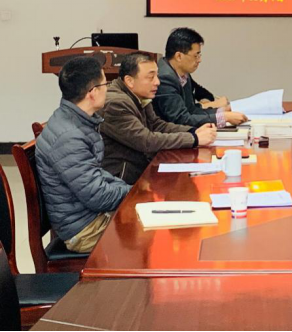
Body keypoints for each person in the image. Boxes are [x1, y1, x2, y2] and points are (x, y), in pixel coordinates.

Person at [35, 57, 130, 253]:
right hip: (85, 230)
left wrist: (131, 190)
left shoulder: (75, 120)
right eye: (105, 84)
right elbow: (97, 196)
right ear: (92, 93)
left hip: (89, 216)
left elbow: (95, 176)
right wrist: (135, 193)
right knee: (151, 235)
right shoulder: (70, 137)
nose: (108, 89)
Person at [100, 52, 217, 185]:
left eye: (157, 76)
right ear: (129, 81)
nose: (157, 82)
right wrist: (194, 139)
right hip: (123, 180)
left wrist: (193, 131)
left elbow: (157, 125)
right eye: (151, 77)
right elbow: (146, 141)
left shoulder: (139, 95)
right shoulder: (115, 103)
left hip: (141, 169)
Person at [153, 28, 248, 128]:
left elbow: (191, 110)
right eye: (196, 56)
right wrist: (223, 117)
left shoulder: (182, 74)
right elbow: (181, 119)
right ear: (179, 56)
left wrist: (220, 111)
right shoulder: (165, 78)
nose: (199, 60)